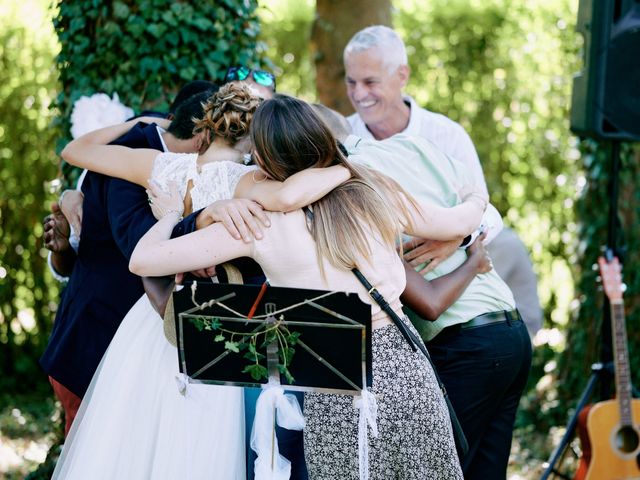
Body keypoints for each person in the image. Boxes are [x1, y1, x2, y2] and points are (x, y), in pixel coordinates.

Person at [127, 94, 490, 479]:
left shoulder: (257, 224)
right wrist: (476, 197)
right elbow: (458, 222)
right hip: (404, 367)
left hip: (334, 375)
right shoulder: (373, 190)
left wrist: (173, 214)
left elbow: (143, 261)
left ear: (264, 159)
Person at [51, 84, 354, 479]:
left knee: (135, 437)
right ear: (254, 143)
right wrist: (346, 167)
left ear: (206, 126)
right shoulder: (245, 182)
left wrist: (139, 122)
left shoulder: (158, 166)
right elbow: (290, 196)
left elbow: (75, 152)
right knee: (196, 443)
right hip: (212, 325)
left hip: (149, 326)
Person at [39, 90, 215, 436]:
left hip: (133, 352)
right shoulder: (133, 156)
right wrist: (204, 221)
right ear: (203, 138)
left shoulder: (156, 143)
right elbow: (141, 251)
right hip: (93, 345)